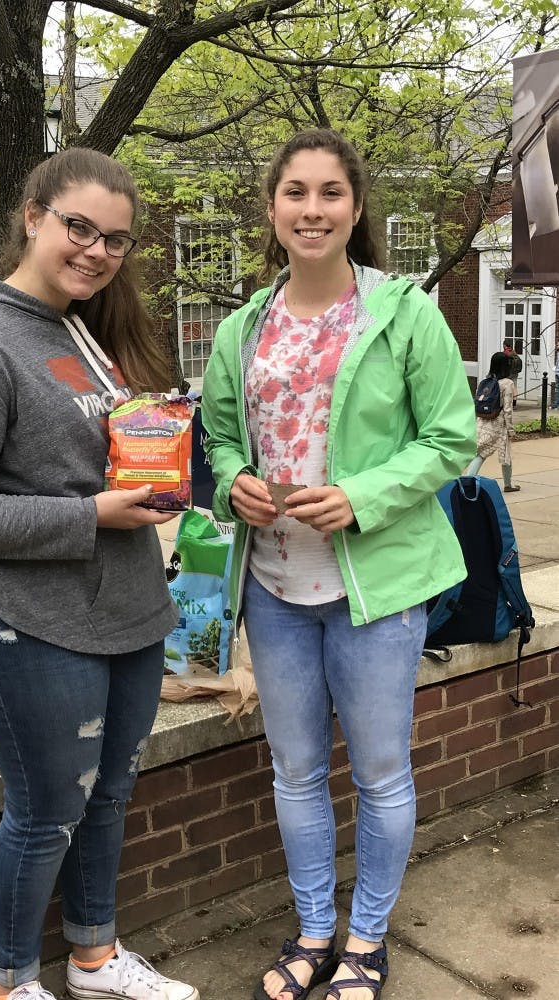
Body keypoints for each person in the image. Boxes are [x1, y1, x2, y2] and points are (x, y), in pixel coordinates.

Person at [0, 147, 199, 1000]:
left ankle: (94, 959)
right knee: (45, 817)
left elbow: (102, 453)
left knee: (108, 798)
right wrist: (94, 516)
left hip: (129, 614)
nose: (97, 251)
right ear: (32, 216)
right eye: (79, 227)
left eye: (115, 239)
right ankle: (10, 985)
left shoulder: (90, 328)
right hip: (29, 624)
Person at [201, 128, 475, 1000]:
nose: (311, 209)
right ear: (273, 209)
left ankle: (367, 937)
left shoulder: (404, 313)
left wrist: (363, 494)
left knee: (382, 771)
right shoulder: (243, 328)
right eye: (295, 193)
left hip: (377, 590)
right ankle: (315, 926)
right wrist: (233, 478)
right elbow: (214, 437)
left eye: (329, 193)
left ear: (356, 208)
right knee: (295, 771)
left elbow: (450, 438)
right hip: (274, 590)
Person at [466, 351, 520, 492]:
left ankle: (469, 481)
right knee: (501, 453)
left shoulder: (486, 381)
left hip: (483, 420)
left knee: (481, 453)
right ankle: (469, 482)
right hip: (499, 423)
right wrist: (511, 429)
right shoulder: (507, 383)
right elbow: (508, 409)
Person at [502, 340, 523, 404]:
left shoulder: (505, 352)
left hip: (508, 373)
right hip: (515, 373)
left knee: (506, 387)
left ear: (505, 345)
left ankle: (506, 402)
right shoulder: (513, 352)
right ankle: (514, 402)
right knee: (514, 387)